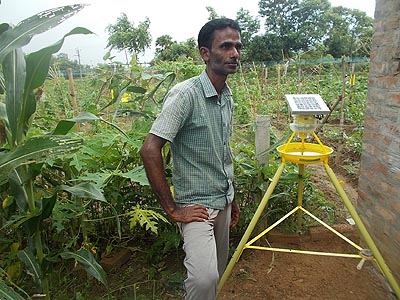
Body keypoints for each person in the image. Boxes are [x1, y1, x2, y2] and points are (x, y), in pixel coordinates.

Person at [140, 18, 242, 300]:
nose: (234, 53)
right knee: (203, 278)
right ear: (205, 53)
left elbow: (222, 151)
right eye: (225, 46)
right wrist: (172, 209)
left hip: (222, 200)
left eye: (237, 46)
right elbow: (150, 149)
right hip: (196, 206)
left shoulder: (227, 96)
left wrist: (232, 198)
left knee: (215, 275)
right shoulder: (186, 95)